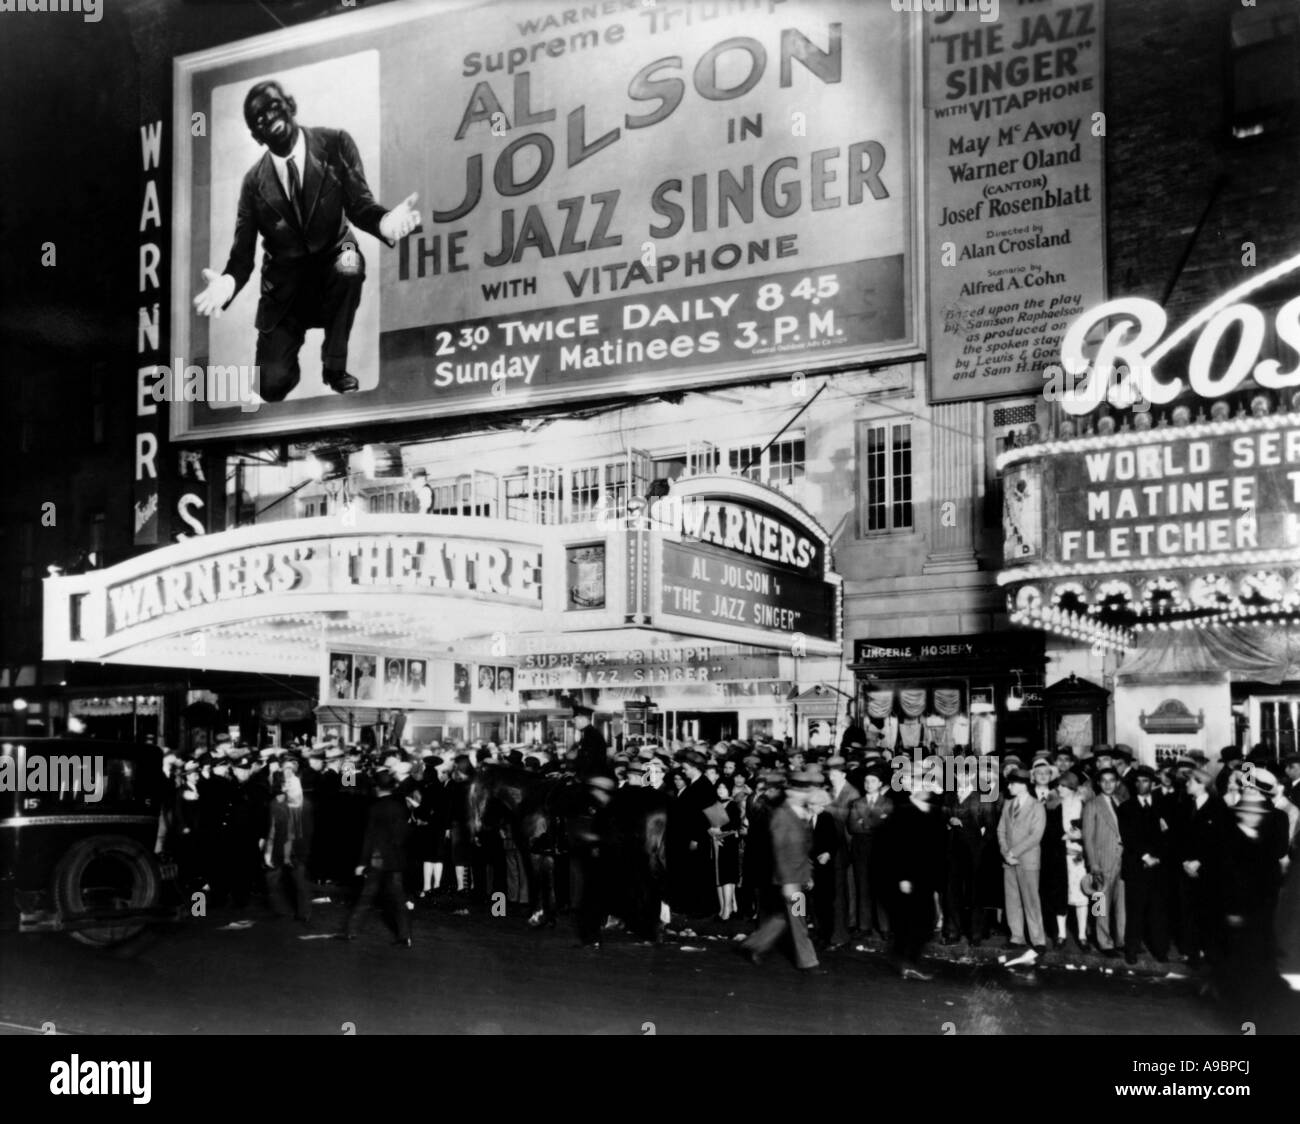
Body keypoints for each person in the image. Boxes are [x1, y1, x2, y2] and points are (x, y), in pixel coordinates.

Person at [193, 80, 421, 400]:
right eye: (259, 119)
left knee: (350, 263)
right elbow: (242, 255)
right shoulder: (252, 184)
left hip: (335, 255)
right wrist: (228, 283)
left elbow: (359, 205)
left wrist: (385, 223)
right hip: (285, 287)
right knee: (270, 388)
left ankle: (334, 367)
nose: (269, 117)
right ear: (257, 136)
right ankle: (278, 377)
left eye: (274, 106)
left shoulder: (336, 143)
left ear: (291, 105)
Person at [738, 775, 821, 973]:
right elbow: (780, 851)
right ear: (793, 793)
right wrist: (789, 882)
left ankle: (755, 944)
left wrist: (807, 874)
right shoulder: (782, 816)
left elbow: (803, 850)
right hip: (790, 879)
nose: (808, 795)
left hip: (797, 876)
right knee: (798, 918)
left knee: (785, 916)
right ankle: (808, 961)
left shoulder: (800, 813)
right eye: (804, 791)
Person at [878, 763, 947, 980]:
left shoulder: (934, 812)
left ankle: (906, 961)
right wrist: (903, 877)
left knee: (925, 922)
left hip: (927, 876)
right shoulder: (903, 812)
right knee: (914, 921)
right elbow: (897, 849)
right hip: (910, 877)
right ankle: (907, 962)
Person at [341, 769, 413, 946]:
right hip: (395, 857)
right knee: (398, 898)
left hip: (377, 858)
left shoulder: (375, 808)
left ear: (377, 787)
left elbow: (369, 837)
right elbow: (404, 833)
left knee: (366, 896)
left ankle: (351, 930)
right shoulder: (400, 806)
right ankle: (405, 935)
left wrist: (362, 862)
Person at [1170, 764, 1229, 968]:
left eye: (1189, 781)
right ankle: (1190, 951)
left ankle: (1207, 950)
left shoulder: (1219, 808)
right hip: (1185, 868)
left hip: (1208, 871)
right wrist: (1185, 861)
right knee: (1186, 911)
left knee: (1207, 911)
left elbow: (1220, 842)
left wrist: (1200, 861)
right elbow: (1177, 838)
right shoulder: (1184, 806)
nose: (1186, 784)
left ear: (1201, 784)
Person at [1117, 765, 1171, 965]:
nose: (1141, 785)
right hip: (1136, 866)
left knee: (1158, 911)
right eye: (1137, 781)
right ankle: (1131, 949)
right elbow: (1128, 837)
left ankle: (1161, 950)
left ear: (1153, 783)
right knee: (1135, 911)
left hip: (1158, 867)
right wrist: (1145, 856)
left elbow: (1168, 837)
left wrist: (1158, 858)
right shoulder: (1126, 807)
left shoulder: (1163, 805)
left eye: (1145, 781)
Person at [943, 763, 997, 945]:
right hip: (952, 850)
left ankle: (976, 934)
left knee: (975, 892)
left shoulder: (983, 798)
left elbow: (990, 828)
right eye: (958, 775)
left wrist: (979, 846)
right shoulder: (949, 797)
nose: (962, 779)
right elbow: (941, 819)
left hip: (975, 851)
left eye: (966, 775)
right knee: (952, 892)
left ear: (972, 776)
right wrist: (949, 822)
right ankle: (953, 932)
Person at [997, 767, 1047, 960]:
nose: (1009, 786)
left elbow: (1035, 836)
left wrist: (1013, 852)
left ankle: (1038, 940)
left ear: (1022, 785)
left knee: (1031, 901)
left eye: (1012, 783)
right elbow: (1001, 831)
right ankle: (1016, 936)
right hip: (1009, 861)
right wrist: (1005, 853)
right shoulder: (1008, 804)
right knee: (1012, 900)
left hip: (1027, 861)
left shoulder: (1037, 806)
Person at [1081, 766, 1125, 955]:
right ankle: (1103, 941)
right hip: (1102, 862)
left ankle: (1121, 940)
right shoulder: (1092, 805)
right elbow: (1088, 838)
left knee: (1122, 904)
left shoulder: (1122, 802)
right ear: (1098, 783)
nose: (1108, 784)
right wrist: (1093, 865)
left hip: (1123, 860)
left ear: (1117, 783)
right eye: (1104, 780)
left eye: (1111, 780)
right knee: (1100, 904)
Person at [847, 766, 893, 939]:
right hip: (861, 850)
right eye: (866, 781)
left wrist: (864, 822)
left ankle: (884, 927)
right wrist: (875, 821)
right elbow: (852, 827)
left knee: (881, 887)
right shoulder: (857, 803)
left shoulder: (888, 803)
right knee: (863, 886)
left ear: (880, 784)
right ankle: (864, 926)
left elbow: (888, 827)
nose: (868, 784)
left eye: (873, 781)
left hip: (881, 850)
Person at [823, 756, 860, 949]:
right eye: (830, 773)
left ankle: (843, 930)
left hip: (843, 847)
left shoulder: (851, 793)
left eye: (835, 773)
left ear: (843, 774)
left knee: (843, 891)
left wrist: (824, 807)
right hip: (829, 847)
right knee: (834, 892)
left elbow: (847, 817)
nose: (831, 776)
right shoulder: (828, 792)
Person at [709, 777, 743, 921]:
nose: (720, 790)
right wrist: (711, 832)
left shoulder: (733, 805)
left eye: (723, 788)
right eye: (718, 788)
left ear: (729, 790)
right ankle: (722, 907)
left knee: (727, 876)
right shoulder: (715, 805)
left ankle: (728, 909)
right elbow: (709, 824)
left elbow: (735, 826)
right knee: (719, 876)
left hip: (728, 844)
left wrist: (719, 833)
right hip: (716, 844)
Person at [572, 705, 609, 778]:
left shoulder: (592, 735)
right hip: (590, 776)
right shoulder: (588, 733)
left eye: (575, 719)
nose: (572, 721)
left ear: (582, 719)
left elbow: (590, 760)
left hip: (592, 777)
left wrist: (578, 776)